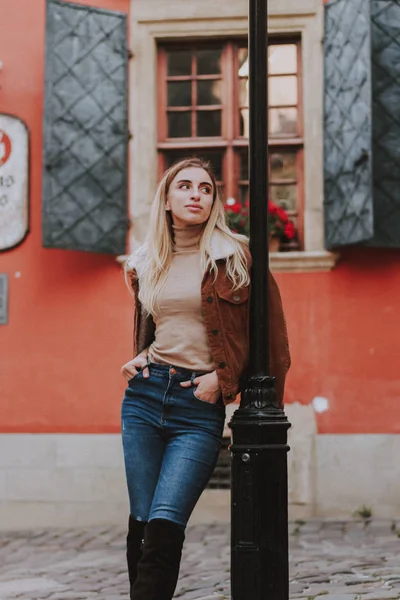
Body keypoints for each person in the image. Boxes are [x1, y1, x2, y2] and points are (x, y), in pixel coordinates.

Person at [121, 157, 290, 600]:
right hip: (143, 398)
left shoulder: (234, 256)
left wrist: (224, 380)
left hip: (197, 407)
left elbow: (270, 339)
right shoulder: (148, 260)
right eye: (186, 186)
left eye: (206, 188)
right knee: (140, 523)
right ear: (168, 198)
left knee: (164, 522)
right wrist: (138, 358)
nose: (196, 194)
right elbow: (158, 326)